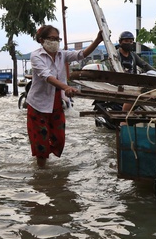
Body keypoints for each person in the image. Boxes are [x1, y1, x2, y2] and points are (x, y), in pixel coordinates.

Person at [26, 25, 103, 168]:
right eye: (51, 39)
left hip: (56, 101)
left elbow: (81, 54)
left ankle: (46, 159)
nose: (55, 42)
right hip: (38, 104)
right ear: (42, 40)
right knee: (41, 142)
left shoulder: (62, 54)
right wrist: (66, 87)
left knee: (59, 139)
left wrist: (97, 41)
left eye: (57, 39)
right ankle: (42, 170)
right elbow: (47, 76)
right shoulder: (36, 55)